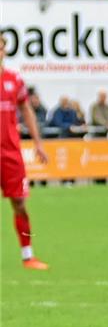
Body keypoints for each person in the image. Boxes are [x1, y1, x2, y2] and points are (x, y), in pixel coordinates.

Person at [0, 34, 49, 270]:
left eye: (0, 48)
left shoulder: (14, 79)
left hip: (10, 152)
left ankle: (28, 256)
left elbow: (26, 110)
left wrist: (38, 143)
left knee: (19, 202)